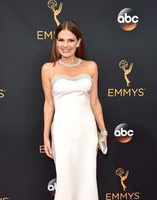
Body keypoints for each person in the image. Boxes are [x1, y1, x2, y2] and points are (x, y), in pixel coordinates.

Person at [41, 20, 108, 200]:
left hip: (86, 131)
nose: (65, 45)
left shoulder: (91, 66)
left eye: (70, 40)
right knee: (65, 178)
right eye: (61, 40)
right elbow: (49, 104)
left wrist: (103, 130)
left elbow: (95, 102)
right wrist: (45, 135)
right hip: (63, 131)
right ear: (56, 42)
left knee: (87, 178)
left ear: (78, 42)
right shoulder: (48, 69)